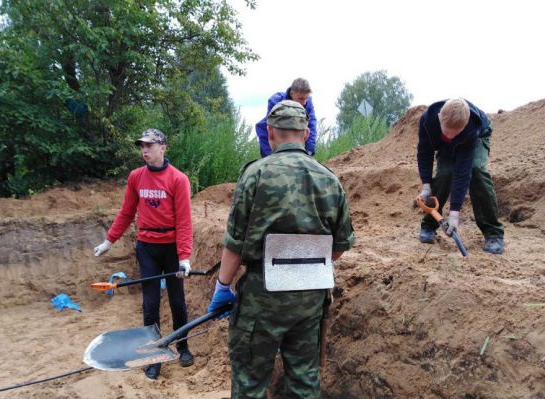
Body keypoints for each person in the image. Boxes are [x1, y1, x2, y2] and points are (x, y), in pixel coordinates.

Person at [208, 100, 356, 398]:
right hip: (311, 298)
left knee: (250, 381)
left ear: (271, 133)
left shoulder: (255, 174)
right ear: (306, 133)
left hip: (261, 299)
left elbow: (235, 244)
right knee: (303, 381)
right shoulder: (329, 179)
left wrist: (223, 286)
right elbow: (339, 247)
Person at [93, 128, 195, 379]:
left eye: (149, 145)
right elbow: (127, 212)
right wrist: (109, 241)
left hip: (171, 248)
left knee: (177, 301)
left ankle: (182, 347)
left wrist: (184, 257)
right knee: (150, 305)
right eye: (142, 146)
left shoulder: (178, 179)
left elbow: (184, 221)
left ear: (163, 147)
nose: (145, 150)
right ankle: (153, 354)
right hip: (147, 247)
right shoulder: (136, 177)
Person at [417, 98, 505, 254]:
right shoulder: (428, 122)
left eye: (455, 133)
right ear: (439, 119)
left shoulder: (471, 128)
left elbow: (463, 171)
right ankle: (429, 225)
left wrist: (454, 214)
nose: (451, 137)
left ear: (463, 126)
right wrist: (426, 185)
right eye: (447, 133)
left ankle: (493, 233)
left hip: (477, 136)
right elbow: (425, 152)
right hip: (449, 138)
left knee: (476, 170)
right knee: (445, 173)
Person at [255, 78, 317, 157]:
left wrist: (309, 151)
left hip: (294, 140)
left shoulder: (308, 103)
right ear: (292, 93)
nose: (304, 103)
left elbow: (311, 125)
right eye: (300, 99)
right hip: (269, 137)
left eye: (306, 98)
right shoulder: (276, 100)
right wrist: (270, 156)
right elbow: (270, 127)